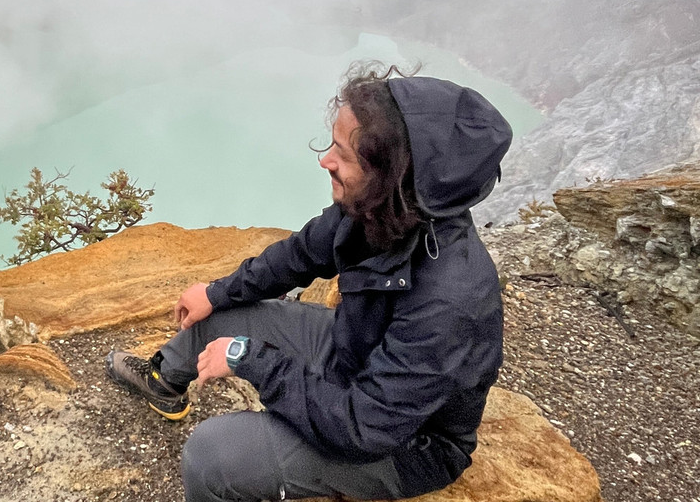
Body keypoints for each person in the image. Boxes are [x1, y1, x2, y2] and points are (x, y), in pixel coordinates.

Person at [105, 65, 513, 502]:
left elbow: (363, 429)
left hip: (405, 444)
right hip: (354, 351)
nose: (325, 160)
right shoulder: (377, 205)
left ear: (392, 174)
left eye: (343, 153)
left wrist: (252, 359)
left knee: (212, 455)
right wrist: (214, 292)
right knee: (219, 314)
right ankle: (164, 383)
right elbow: (299, 255)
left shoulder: (451, 300)